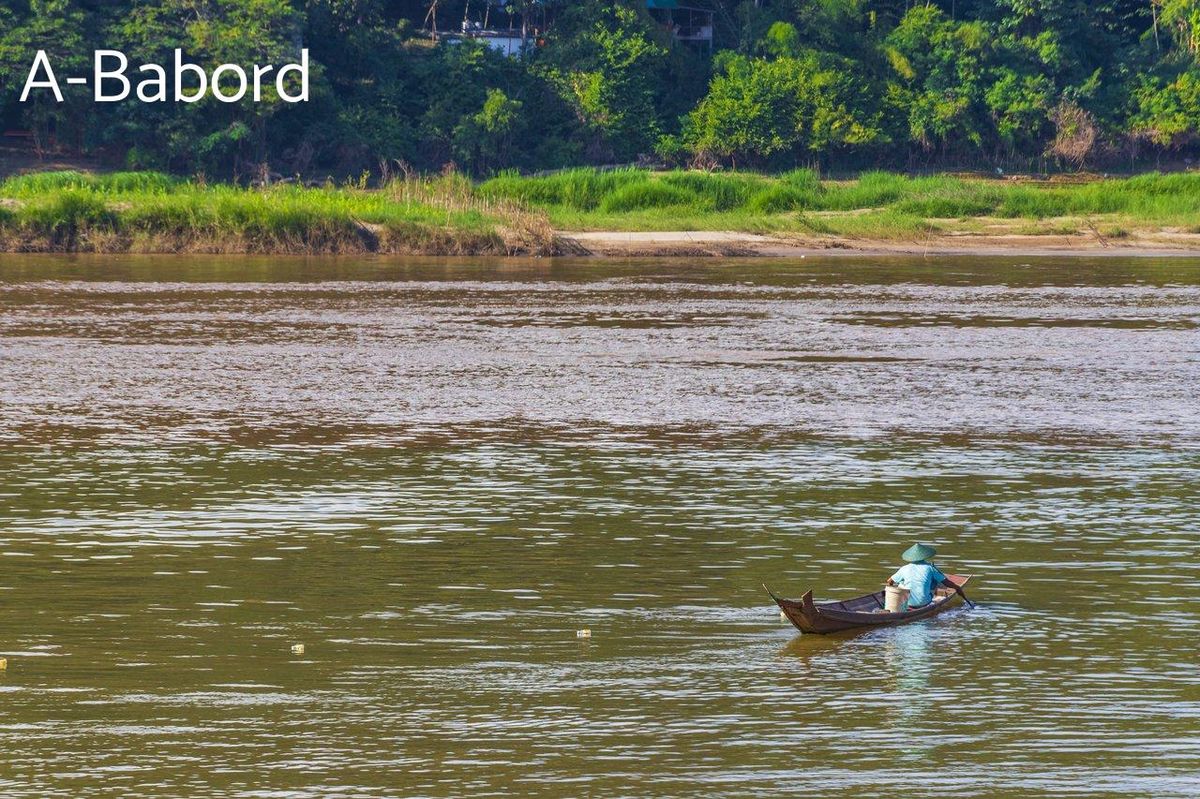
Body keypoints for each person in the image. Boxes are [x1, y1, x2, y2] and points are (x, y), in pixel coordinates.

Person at [887, 543, 954, 609]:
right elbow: (946, 582)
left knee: (901, 583)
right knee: (935, 581)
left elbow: (890, 581)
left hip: (906, 602)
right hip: (924, 602)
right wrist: (957, 588)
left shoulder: (904, 568)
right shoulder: (929, 568)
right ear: (924, 556)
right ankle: (934, 598)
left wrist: (891, 593)